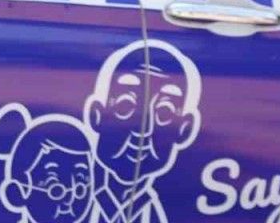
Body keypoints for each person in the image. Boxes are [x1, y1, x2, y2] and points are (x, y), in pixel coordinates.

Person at [82, 40, 202, 223]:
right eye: (126, 105)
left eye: (164, 112)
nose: (143, 130)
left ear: (184, 128)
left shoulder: (158, 212)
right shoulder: (73, 200)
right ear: (96, 114)